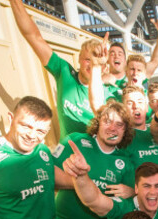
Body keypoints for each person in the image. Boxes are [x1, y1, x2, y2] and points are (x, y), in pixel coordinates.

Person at [51, 102, 136, 219]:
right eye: (107, 121)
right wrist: (80, 181)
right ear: (97, 124)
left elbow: (133, 200)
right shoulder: (74, 141)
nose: (113, 128)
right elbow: (48, 175)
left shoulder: (126, 161)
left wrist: (132, 192)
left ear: (125, 131)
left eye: (119, 125)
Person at [10, 0, 107, 139]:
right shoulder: (65, 72)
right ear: (79, 59)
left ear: (103, 66)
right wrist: (16, 3)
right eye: (87, 60)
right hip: (66, 152)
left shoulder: (107, 92)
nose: (91, 65)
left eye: (96, 62)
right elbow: (34, 37)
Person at [103, 20, 158, 94]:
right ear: (107, 59)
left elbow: (155, 62)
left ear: (124, 60)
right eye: (112, 54)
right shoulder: (101, 78)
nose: (116, 56)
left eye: (120, 54)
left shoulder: (135, 74)